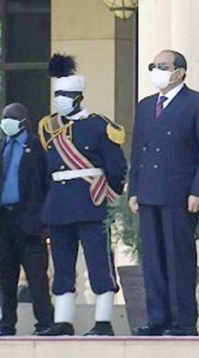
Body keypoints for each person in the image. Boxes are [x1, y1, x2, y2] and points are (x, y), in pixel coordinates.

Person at [129, 50, 199, 336]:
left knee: (178, 257)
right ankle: (157, 318)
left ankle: (182, 322)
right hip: (149, 192)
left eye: (163, 66)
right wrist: (134, 190)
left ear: (180, 72)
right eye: (153, 66)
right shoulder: (146, 106)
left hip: (181, 194)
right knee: (153, 259)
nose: (156, 70)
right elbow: (138, 150)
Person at [37, 54, 128, 336]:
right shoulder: (48, 127)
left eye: (65, 95)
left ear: (77, 96)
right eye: (58, 94)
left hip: (92, 202)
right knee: (62, 267)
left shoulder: (100, 125)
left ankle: (103, 321)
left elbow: (116, 167)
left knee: (99, 264)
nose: (60, 99)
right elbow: (43, 171)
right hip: (59, 206)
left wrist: (109, 195)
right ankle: (63, 320)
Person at [0, 103, 53, 335]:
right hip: (4, 222)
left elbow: (46, 184)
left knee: (37, 277)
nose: (6, 122)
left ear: (23, 121)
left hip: (30, 222)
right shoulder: (2, 147)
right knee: (5, 277)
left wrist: (45, 220)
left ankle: (44, 323)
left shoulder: (37, 147)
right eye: (4, 118)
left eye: (11, 118)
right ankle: (6, 324)